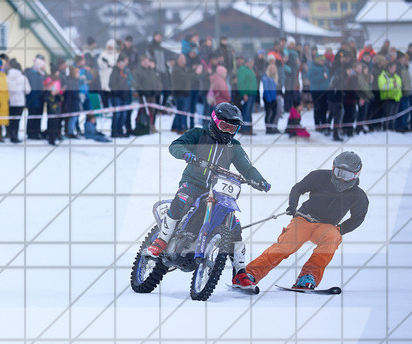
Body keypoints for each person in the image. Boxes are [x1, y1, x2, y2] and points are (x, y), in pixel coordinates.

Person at [145, 103, 271, 288]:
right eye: (224, 126)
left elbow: (248, 168)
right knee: (183, 199)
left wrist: (259, 180)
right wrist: (187, 154)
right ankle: (162, 240)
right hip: (194, 183)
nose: (228, 131)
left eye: (232, 128)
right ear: (214, 121)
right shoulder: (199, 134)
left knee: (233, 225)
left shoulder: (234, 147)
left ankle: (240, 273)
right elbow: (176, 145)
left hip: (218, 189)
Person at [242, 152, 368, 290]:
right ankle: (250, 274)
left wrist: (340, 229)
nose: (342, 179)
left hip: (326, 227)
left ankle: (308, 276)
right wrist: (292, 206)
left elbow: (358, 218)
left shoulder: (359, 196)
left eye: (347, 175)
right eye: (339, 172)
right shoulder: (319, 176)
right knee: (286, 246)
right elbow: (298, 188)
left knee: (333, 237)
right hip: (304, 218)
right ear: (333, 169)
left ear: (356, 175)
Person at [5, 59, 27, 143]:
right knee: (17, 120)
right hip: (20, 102)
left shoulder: (7, 77)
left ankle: (9, 134)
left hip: (10, 101)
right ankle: (15, 135)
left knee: (10, 119)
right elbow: (27, 90)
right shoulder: (23, 78)